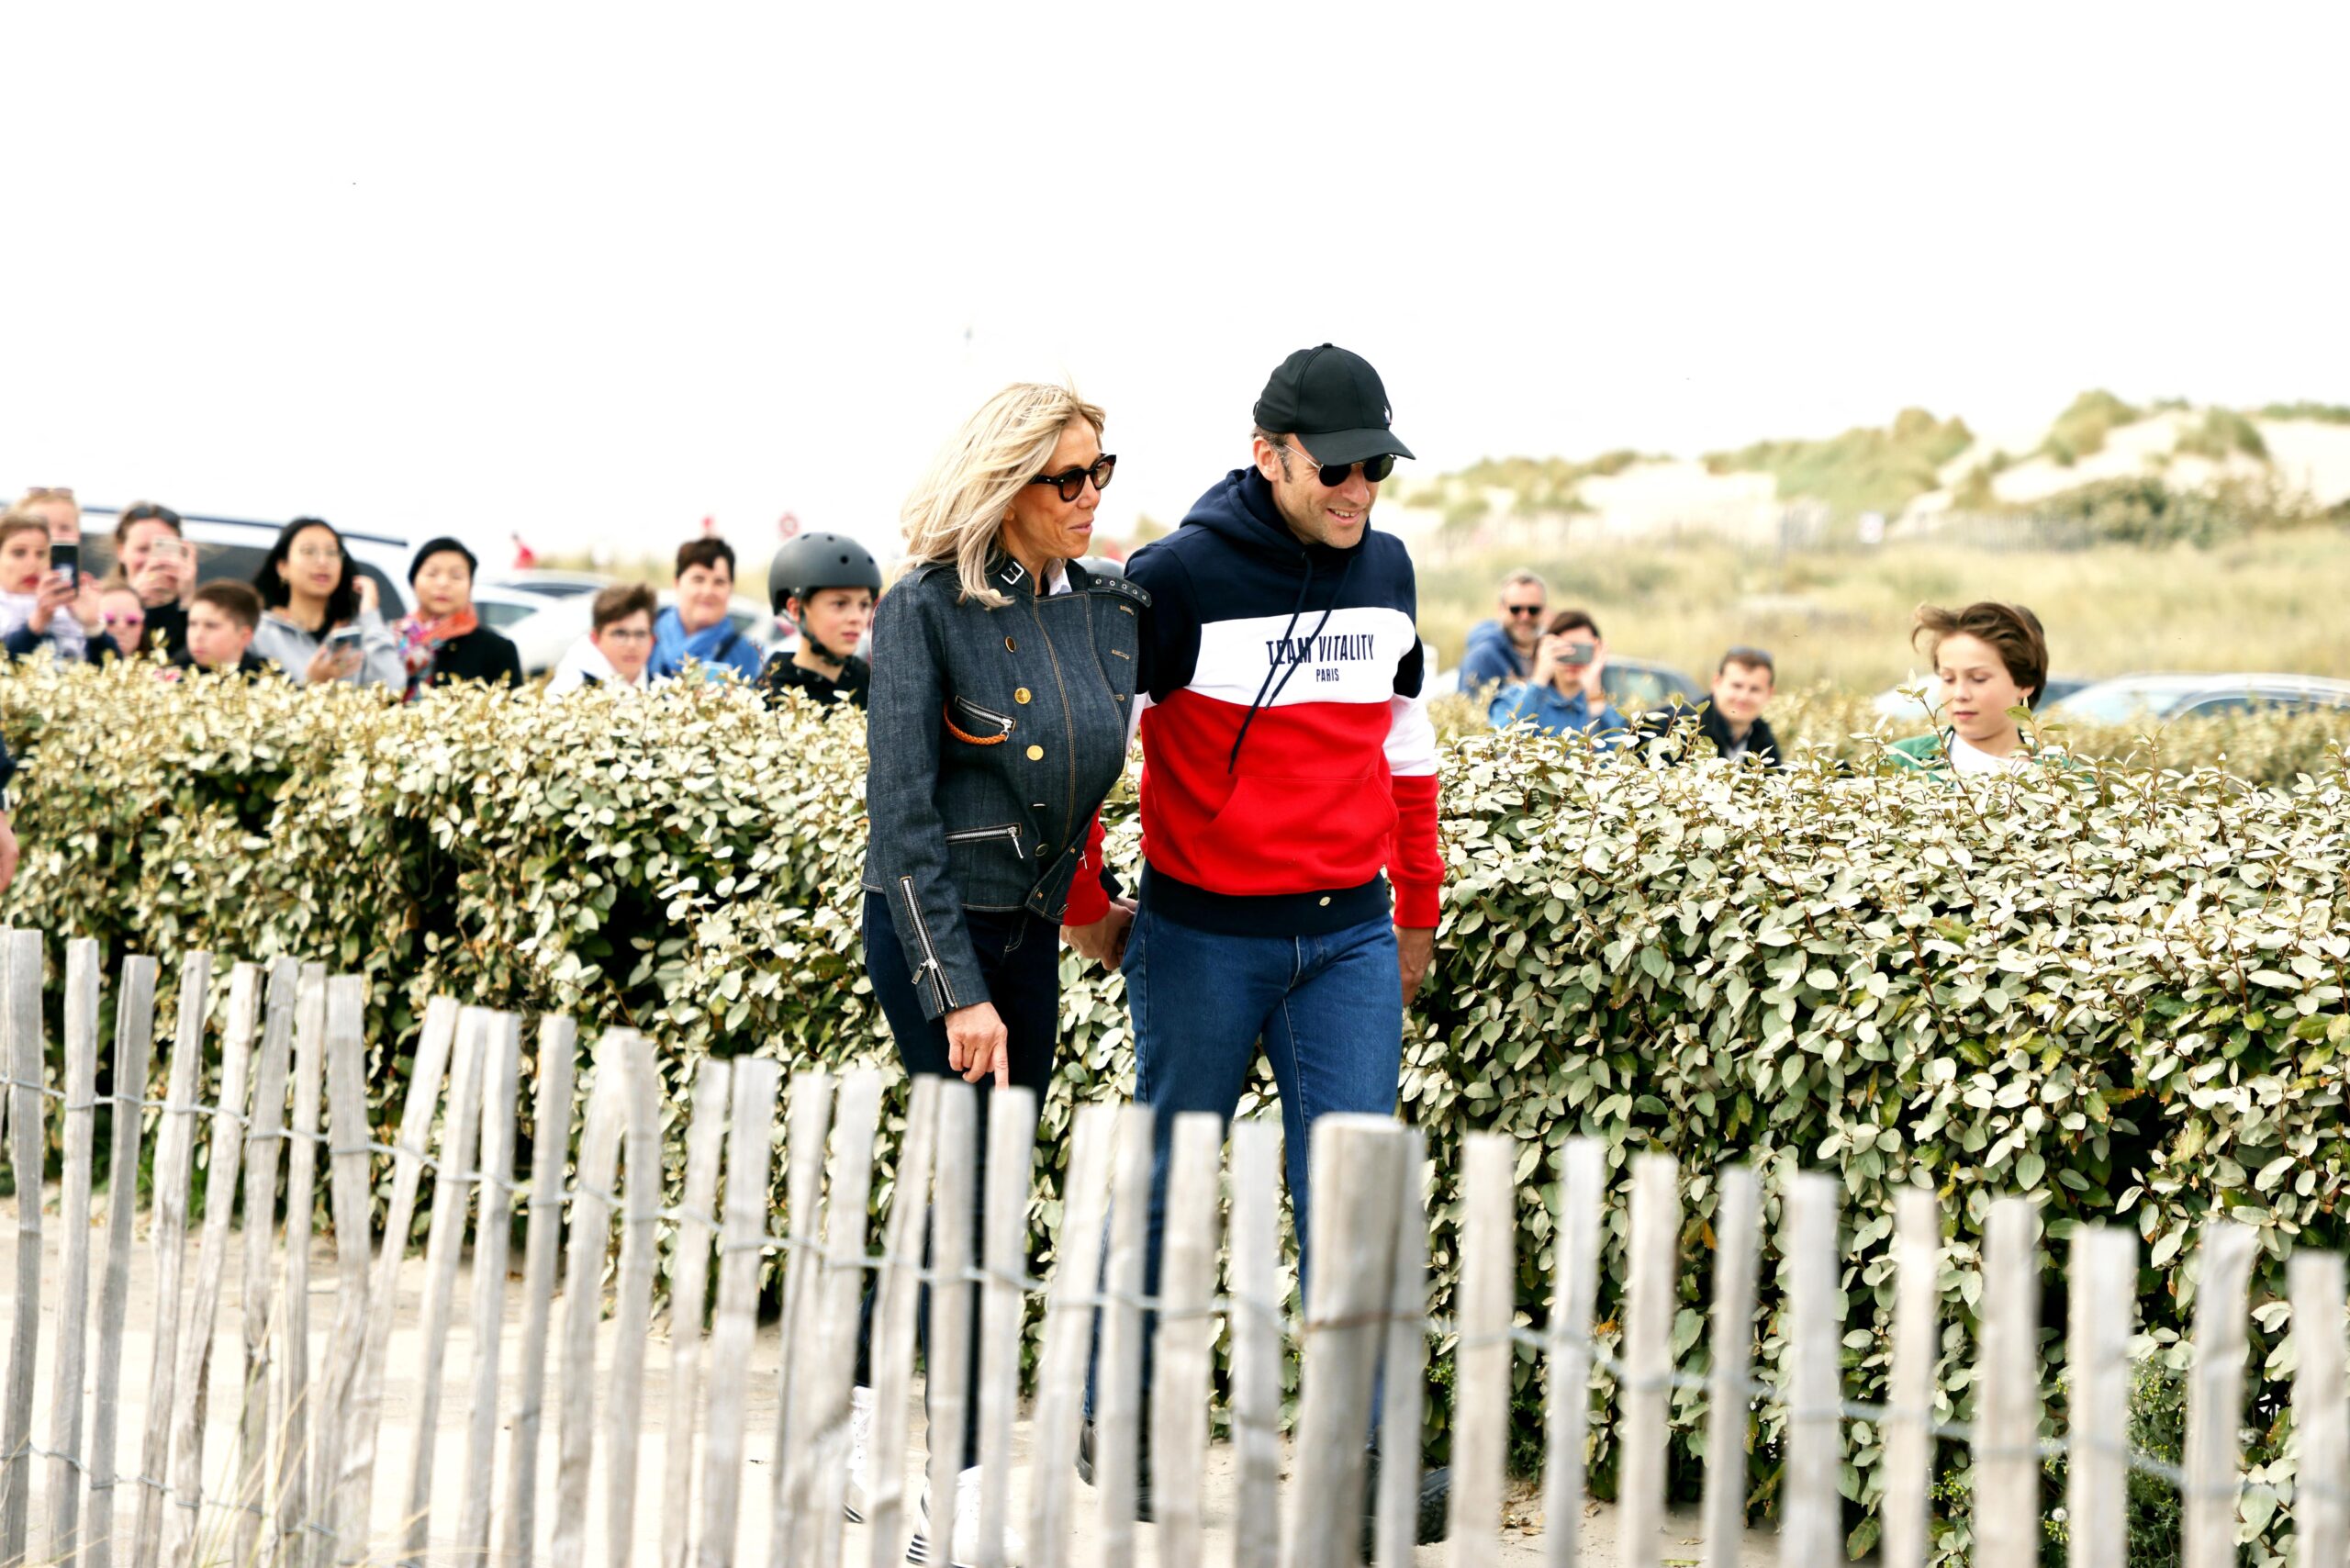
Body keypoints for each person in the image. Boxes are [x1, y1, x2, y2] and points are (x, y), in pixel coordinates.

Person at [1087, 342, 1450, 1546]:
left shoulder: (1390, 568)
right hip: (1202, 936)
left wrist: (1415, 911)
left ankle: (1371, 1453)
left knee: (1356, 1195)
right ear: (1270, 454)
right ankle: (1116, 1411)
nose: (1358, 490)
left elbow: (1406, 749)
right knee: (1170, 1184)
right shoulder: (1173, 577)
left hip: (1346, 937)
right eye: (1338, 467)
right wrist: (1086, 906)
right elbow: (1087, 750)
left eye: (1377, 469)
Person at [857, 380, 1145, 1563]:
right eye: (1063, 478)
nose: (1088, 497)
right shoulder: (923, 609)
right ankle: (953, 1508)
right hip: (936, 936)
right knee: (974, 1215)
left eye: (1101, 472)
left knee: (960, 1194)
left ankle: (859, 1412)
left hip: (1032, 935)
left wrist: (1106, 912)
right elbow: (902, 824)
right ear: (1005, 484)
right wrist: (957, 993)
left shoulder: (1116, 612)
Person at [1889, 602, 2061, 775]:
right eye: (1948, 679)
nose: (1960, 694)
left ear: (2025, 683)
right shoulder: (1898, 762)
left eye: (1979, 679)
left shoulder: (2070, 779)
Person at [250, 518, 403, 689]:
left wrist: (370, 614)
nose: (323, 561)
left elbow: (393, 690)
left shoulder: (362, 633)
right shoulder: (259, 632)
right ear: (283, 567)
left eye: (331, 552)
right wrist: (311, 685)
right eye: (308, 551)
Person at [758, 532, 879, 711]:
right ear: (796, 609)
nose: (857, 618)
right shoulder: (770, 698)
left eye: (864, 605)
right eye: (840, 604)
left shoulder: (871, 684)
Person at [396, 537, 524, 700]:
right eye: (432, 574)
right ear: (413, 581)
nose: (443, 583)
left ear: (470, 586)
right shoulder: (391, 641)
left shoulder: (497, 649)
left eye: (456, 576)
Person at [1488, 608, 1628, 738]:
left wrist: (1594, 697)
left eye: (1581, 650)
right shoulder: (1512, 698)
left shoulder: (1607, 713)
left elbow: (1612, 758)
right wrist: (1539, 679)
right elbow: (1502, 745)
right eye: (1566, 649)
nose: (1574, 659)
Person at [1642, 646, 1784, 766]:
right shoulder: (1674, 726)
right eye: (1737, 686)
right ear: (1716, 682)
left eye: (1755, 689)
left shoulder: (1763, 737)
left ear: (1769, 693)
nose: (1743, 697)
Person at [0, 515, 114, 663]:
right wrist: (37, 624)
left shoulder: (69, 609)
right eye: (19, 553)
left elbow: (113, 675)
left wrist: (92, 628)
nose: (32, 563)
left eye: (41, 554)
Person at [649, 538, 763, 682]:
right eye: (698, 580)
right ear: (677, 584)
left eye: (719, 582)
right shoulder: (644, 639)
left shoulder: (750, 655)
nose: (708, 591)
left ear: (731, 589)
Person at [114, 501, 197, 658]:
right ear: (121, 551)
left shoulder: (200, 611)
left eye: (162, 549)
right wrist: (132, 601)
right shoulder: (99, 603)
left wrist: (187, 602)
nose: (153, 560)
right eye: (143, 549)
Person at [544, 584, 660, 695]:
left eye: (640, 634)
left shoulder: (665, 693)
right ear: (595, 637)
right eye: (620, 634)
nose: (632, 644)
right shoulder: (569, 689)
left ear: (653, 639)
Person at [1456, 567, 1548, 693]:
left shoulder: (1551, 653)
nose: (1525, 617)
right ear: (1501, 609)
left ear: (1544, 610)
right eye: (1515, 609)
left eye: (1533, 610)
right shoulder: (1482, 658)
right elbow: (1471, 709)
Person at [175, 581, 272, 676]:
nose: (198, 636)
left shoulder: (272, 685)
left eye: (211, 626)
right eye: (192, 624)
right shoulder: (170, 680)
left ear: (244, 636)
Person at [94, 579, 150, 661]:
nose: (121, 627)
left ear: (142, 627)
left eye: (132, 621)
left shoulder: (156, 670)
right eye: (109, 620)